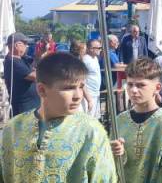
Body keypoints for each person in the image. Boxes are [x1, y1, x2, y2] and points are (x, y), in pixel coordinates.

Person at [0, 52, 116, 181]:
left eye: (81, 87)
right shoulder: (14, 128)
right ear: (42, 90)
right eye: (68, 88)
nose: (78, 96)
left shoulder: (91, 131)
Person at [110, 57, 162, 182]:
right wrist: (116, 154)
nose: (133, 90)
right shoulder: (120, 120)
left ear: (157, 87)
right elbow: (110, 164)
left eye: (140, 85)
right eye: (130, 84)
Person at [3, 32, 38, 116]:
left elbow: (33, 65)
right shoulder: (12, 62)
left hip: (29, 105)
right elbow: (35, 76)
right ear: (17, 45)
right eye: (25, 44)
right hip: (24, 108)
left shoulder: (20, 58)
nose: (27, 46)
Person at [82, 39, 103, 118]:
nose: (100, 49)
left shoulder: (95, 58)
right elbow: (82, 81)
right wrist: (89, 100)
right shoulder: (85, 60)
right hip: (88, 95)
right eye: (98, 48)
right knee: (88, 121)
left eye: (100, 47)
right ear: (90, 49)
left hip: (95, 94)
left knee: (95, 120)